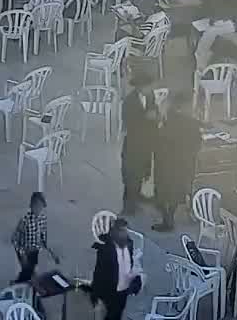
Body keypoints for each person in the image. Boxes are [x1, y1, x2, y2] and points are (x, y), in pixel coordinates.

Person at [153, 93, 201, 232]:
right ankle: (175, 215)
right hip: (185, 164)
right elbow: (197, 143)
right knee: (178, 190)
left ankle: (168, 220)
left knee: (164, 192)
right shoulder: (191, 122)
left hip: (166, 164)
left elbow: (158, 142)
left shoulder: (168, 121)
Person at [87, 219, 143, 320]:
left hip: (124, 290)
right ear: (113, 232)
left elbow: (130, 264)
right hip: (110, 289)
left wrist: (135, 280)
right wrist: (95, 294)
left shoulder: (129, 244)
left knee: (117, 314)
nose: (124, 234)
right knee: (110, 314)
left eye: (125, 231)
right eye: (121, 231)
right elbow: (99, 271)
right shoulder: (106, 250)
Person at [120, 69, 157, 214]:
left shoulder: (150, 97)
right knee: (131, 175)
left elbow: (154, 113)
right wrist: (146, 117)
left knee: (142, 171)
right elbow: (130, 124)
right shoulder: (129, 102)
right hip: (133, 144)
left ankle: (138, 195)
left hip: (146, 142)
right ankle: (128, 205)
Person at [9, 191, 60, 284]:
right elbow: (14, 239)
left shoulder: (43, 219)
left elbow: (44, 239)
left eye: (41, 207)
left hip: (35, 250)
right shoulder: (25, 219)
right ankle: (17, 284)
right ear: (32, 205)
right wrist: (22, 254)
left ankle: (23, 282)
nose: (39, 209)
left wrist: (53, 254)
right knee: (27, 271)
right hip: (24, 249)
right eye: (37, 206)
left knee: (30, 270)